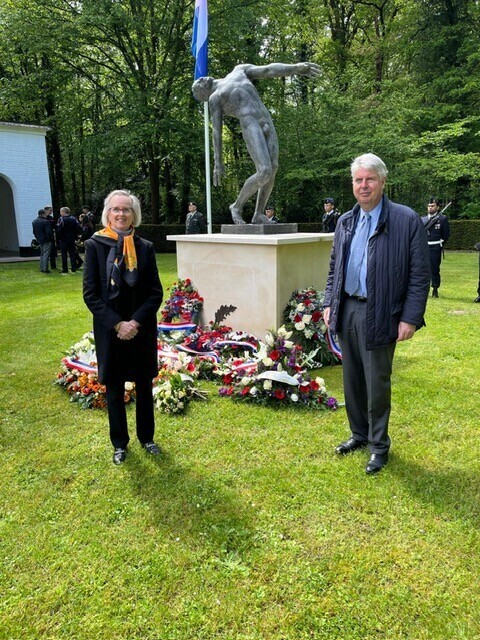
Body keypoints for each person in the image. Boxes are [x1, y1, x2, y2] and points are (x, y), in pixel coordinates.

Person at [323, 153, 430, 475]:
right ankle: (358, 434)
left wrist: (410, 317)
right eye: (358, 180)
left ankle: (379, 445)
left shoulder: (406, 219)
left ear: (383, 181)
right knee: (352, 379)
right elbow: (333, 268)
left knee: (377, 382)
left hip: (381, 312)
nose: (364, 185)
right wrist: (329, 302)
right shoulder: (345, 221)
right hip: (348, 310)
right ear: (352, 184)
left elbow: (419, 274)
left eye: (370, 179)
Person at [83, 189, 163, 465]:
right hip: (110, 329)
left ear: (134, 215)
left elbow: (155, 292)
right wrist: (118, 324)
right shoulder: (94, 246)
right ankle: (119, 443)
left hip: (140, 328)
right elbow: (91, 294)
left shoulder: (146, 247)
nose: (121, 214)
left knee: (143, 384)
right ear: (108, 214)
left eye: (126, 210)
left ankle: (147, 438)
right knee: (115, 386)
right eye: (116, 209)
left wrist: (134, 322)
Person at [192, 62, 320, 225]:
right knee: (264, 170)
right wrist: (218, 162)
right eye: (197, 85)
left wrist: (296, 68)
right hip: (250, 123)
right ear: (203, 94)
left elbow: (268, 70)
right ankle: (237, 206)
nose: (201, 79)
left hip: (266, 118)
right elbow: (217, 130)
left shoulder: (238, 70)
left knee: (273, 168)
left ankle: (258, 214)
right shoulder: (215, 98)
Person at [421, 198, 450, 298]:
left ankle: (435, 289)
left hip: (435, 247)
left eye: (432, 206)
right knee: (422, 269)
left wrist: (439, 244)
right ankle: (423, 289)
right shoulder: (423, 219)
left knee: (434, 269)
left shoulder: (442, 219)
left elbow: (446, 234)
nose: (430, 207)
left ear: (437, 207)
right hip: (423, 247)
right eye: (429, 206)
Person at [57, 206, 81, 273]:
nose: (60, 213)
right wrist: (75, 236)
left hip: (64, 239)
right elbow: (78, 227)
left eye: (61, 212)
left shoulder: (61, 219)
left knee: (64, 254)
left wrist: (58, 238)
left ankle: (65, 269)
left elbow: (59, 229)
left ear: (64, 212)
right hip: (72, 238)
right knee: (72, 254)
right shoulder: (74, 218)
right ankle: (74, 268)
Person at [32, 208, 53, 273]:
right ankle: (45, 269)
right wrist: (51, 238)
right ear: (43, 214)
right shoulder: (45, 222)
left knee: (42, 254)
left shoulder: (34, 221)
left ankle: (41, 268)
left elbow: (34, 232)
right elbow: (49, 232)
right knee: (46, 254)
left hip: (40, 240)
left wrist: (38, 238)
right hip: (46, 240)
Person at [44, 205, 58, 270]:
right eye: (50, 210)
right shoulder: (43, 219)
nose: (51, 211)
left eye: (51, 210)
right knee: (46, 253)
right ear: (46, 210)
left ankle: (53, 266)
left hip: (51, 237)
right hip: (45, 237)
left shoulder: (51, 218)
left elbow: (54, 227)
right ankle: (45, 266)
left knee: (52, 252)